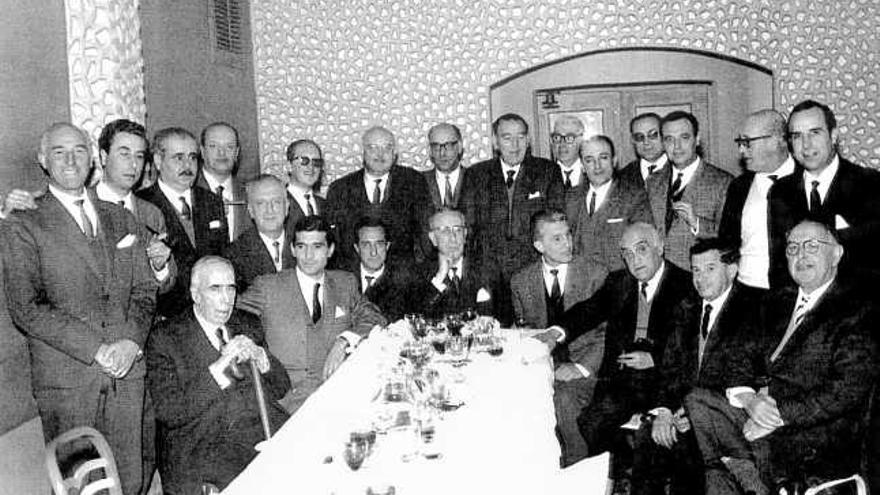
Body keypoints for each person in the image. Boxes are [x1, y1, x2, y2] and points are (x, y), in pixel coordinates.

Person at [1, 122, 158, 495]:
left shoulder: (122, 217)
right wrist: (97, 349)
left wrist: (130, 342)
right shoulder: (23, 221)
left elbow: (145, 291)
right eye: (59, 151)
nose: (70, 159)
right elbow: (26, 308)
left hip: (127, 374)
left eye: (79, 150)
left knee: (131, 480)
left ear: (92, 161)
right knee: (81, 486)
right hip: (69, 383)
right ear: (43, 160)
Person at [685, 220, 877, 494]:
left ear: (836, 254)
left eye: (811, 246)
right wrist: (751, 401)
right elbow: (739, 359)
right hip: (759, 413)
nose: (800, 255)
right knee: (698, 400)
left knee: (721, 463)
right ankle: (748, 474)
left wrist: (777, 417)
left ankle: (744, 471)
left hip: (812, 427)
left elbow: (845, 389)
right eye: (792, 248)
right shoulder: (775, 302)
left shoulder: (858, 310)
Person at [536, 222, 695, 469]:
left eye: (641, 250)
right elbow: (588, 311)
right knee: (584, 417)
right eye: (627, 254)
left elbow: (691, 345)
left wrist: (654, 358)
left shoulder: (686, 285)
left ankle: (617, 469)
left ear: (660, 247)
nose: (634, 260)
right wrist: (555, 333)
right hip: (621, 381)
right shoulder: (619, 282)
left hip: (663, 380)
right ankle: (601, 475)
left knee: (609, 427)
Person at [146, 256, 290, 494]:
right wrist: (219, 368)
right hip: (204, 445)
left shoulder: (247, 323)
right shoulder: (165, 338)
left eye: (231, 288)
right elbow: (169, 412)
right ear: (195, 293)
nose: (226, 299)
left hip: (260, 429)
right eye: (215, 288)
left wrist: (260, 356)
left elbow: (281, 387)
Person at [631, 238, 758, 495]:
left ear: (732, 269)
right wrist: (665, 410)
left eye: (710, 268)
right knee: (649, 435)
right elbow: (669, 368)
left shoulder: (753, 308)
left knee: (689, 449)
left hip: (724, 415)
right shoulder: (686, 307)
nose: (700, 278)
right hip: (682, 411)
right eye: (696, 270)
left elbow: (745, 375)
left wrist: (693, 414)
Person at [237, 215, 386, 413]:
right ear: (292, 250)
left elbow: (374, 317)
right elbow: (230, 314)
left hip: (340, 395)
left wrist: (344, 340)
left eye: (317, 247)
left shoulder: (344, 282)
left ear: (330, 250)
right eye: (301, 246)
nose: (308, 255)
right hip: (288, 403)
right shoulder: (267, 286)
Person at [510, 209, 608, 466]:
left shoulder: (596, 274)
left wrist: (580, 367)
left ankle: (579, 471)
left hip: (586, 368)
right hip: (543, 367)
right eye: (557, 239)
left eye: (568, 235)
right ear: (538, 245)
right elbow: (525, 332)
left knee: (564, 399)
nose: (567, 243)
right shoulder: (521, 282)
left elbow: (607, 333)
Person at [769, 99, 880, 286]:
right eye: (797, 136)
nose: (806, 145)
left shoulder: (870, 185)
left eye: (815, 133)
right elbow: (779, 265)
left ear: (834, 136)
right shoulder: (780, 192)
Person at [461, 113, 564, 281]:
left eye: (521, 137)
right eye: (507, 138)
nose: (515, 145)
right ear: (495, 142)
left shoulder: (547, 171)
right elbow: (469, 227)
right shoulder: (476, 174)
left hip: (533, 268)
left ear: (528, 140)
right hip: (488, 271)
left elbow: (556, 222)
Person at [137, 127, 228, 317]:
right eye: (178, 157)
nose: (188, 165)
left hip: (209, 312)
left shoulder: (211, 201)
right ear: (158, 161)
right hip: (166, 315)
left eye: (193, 157)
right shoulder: (141, 205)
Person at [326, 126, 432, 269]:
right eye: (373, 147)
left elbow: (424, 235)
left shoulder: (414, 182)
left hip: (403, 276)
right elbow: (334, 243)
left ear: (395, 154)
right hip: (353, 277)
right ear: (362, 153)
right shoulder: (340, 189)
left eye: (387, 148)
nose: (380, 154)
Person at [96, 118, 176, 294]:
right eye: (124, 154)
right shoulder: (85, 205)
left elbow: (167, 286)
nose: (133, 164)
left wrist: (160, 267)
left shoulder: (151, 213)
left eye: (139, 156)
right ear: (103, 157)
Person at [719, 110, 797, 290]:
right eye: (740, 142)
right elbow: (727, 241)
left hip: (791, 292)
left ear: (776, 140)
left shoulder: (807, 180)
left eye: (747, 142)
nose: (741, 150)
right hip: (745, 291)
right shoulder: (739, 187)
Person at [646, 111, 732, 271]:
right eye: (669, 139)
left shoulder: (723, 182)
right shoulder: (652, 182)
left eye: (684, 138)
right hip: (660, 278)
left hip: (698, 277)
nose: (677, 146)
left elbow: (730, 239)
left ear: (697, 139)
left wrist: (697, 224)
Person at [568, 135, 653, 272]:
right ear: (582, 166)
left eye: (603, 158)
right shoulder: (571, 198)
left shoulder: (633, 197)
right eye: (589, 160)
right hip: (579, 284)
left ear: (614, 161)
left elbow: (644, 248)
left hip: (619, 284)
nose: (597, 166)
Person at [414, 208, 509, 323]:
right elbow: (416, 319)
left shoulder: (487, 269)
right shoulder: (421, 273)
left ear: (465, 235)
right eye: (445, 231)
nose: (453, 238)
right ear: (433, 238)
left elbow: (506, 318)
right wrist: (439, 278)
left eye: (458, 230)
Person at [223, 174, 295, 291]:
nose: (269, 209)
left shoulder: (303, 244)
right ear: (251, 210)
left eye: (276, 202)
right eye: (261, 203)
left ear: (287, 207)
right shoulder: (235, 254)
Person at [196, 122, 250, 242]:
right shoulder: (188, 192)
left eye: (229, 147)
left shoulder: (249, 192)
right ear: (202, 151)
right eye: (213, 146)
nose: (222, 153)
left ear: (237, 153)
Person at [352, 216, 413, 321]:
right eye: (366, 245)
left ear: (387, 246)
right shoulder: (342, 278)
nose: (373, 252)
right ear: (357, 248)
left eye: (379, 244)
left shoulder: (403, 282)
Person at [422, 123, 470, 211]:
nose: (442, 153)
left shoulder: (476, 180)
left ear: (459, 147)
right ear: (430, 151)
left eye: (448, 146)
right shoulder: (419, 182)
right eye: (436, 147)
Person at [283, 138, 326, 235]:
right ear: (289, 166)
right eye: (304, 160)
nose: (311, 167)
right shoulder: (278, 203)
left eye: (316, 162)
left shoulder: (326, 206)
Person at [619, 113, 668, 189]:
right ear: (632, 140)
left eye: (652, 135)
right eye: (639, 137)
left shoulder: (679, 169)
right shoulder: (623, 176)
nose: (646, 142)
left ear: (664, 135)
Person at [549, 115, 585, 192]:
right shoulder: (544, 175)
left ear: (580, 141)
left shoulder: (591, 173)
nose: (562, 144)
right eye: (557, 137)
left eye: (569, 138)